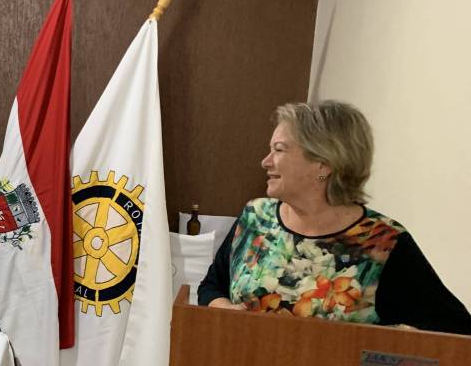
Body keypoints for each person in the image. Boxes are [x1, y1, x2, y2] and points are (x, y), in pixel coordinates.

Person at [198, 101, 471, 334]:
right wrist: (227, 312)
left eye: (279, 149)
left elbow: (455, 331)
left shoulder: (382, 242)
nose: (266, 161)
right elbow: (212, 287)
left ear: (324, 163)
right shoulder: (255, 217)